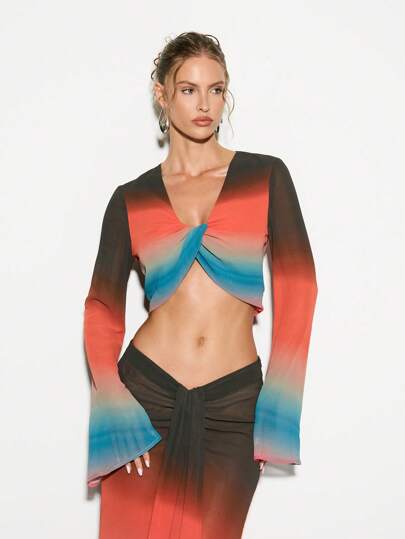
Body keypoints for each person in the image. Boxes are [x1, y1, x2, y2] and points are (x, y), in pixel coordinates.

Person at [83, 31, 318, 539]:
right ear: (162, 95)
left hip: (233, 408)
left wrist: (278, 408)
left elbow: (299, 288)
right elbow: (101, 306)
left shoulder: (266, 176)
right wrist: (113, 397)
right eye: (188, 90)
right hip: (144, 400)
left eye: (216, 89)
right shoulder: (130, 198)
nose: (205, 104)